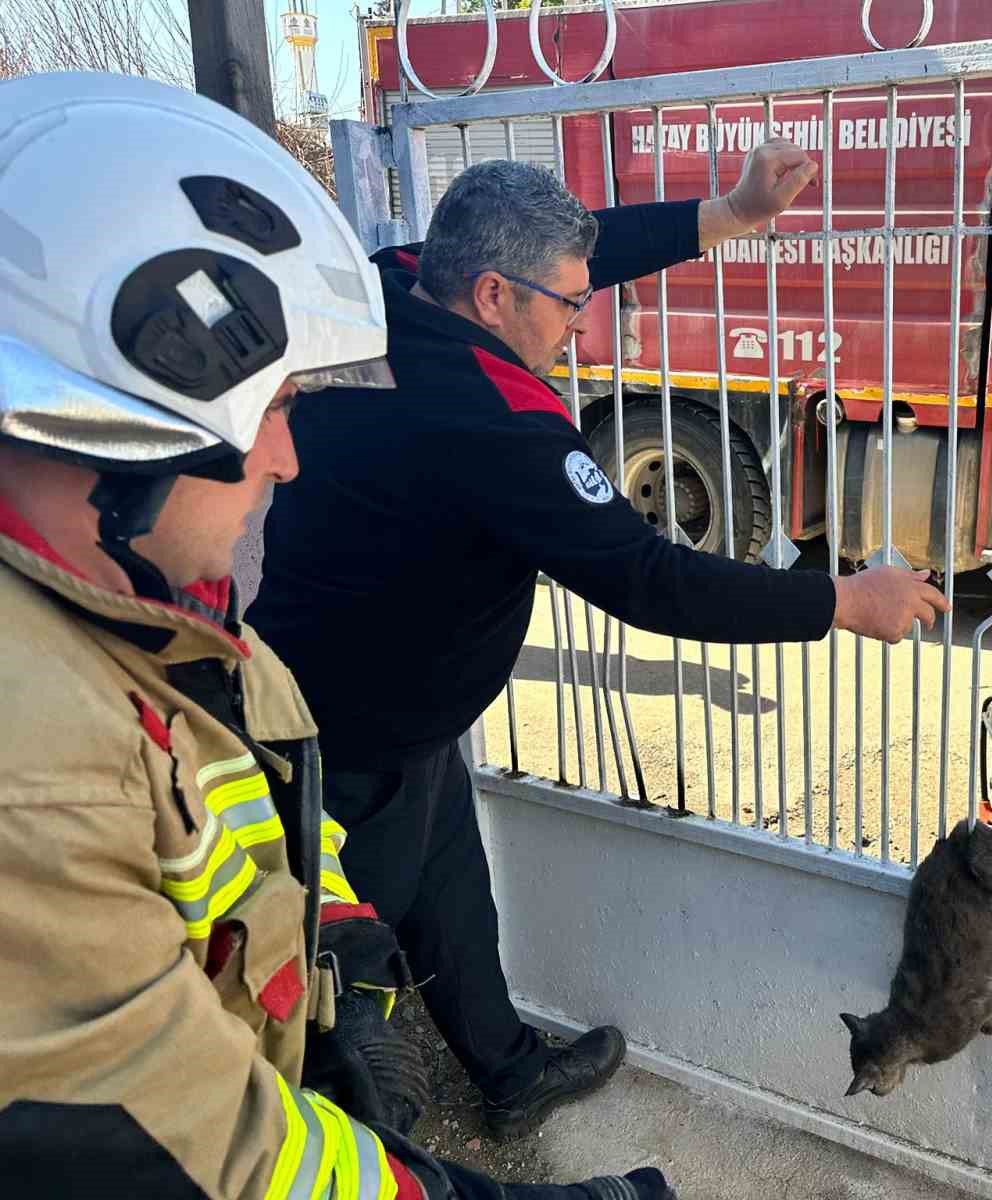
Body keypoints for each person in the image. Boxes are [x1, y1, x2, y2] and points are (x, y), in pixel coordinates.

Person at [0, 72, 671, 1200]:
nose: (285, 459)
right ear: (120, 425)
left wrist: (339, 927)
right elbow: (204, 1153)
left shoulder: (157, 620)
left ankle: (502, 1063)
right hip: (377, 723)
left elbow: (236, 797)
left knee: (443, 889)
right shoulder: (40, 777)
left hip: (405, 721)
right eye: (271, 409)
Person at [246, 150, 949, 1137]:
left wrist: (730, 211)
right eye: (571, 306)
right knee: (341, 976)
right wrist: (838, 600)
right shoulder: (494, 423)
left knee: (455, 897)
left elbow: (585, 250)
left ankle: (509, 1074)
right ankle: (349, 1141)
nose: (584, 324)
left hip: (383, 702)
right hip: (353, 737)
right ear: (493, 295)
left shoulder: (393, 283)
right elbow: (650, 579)